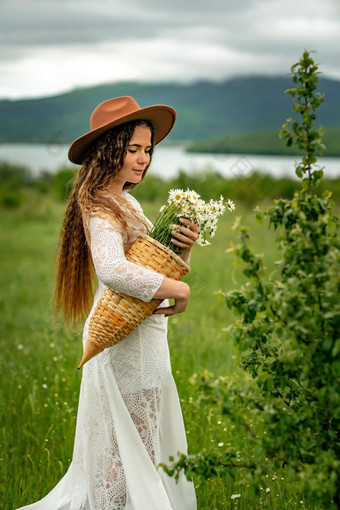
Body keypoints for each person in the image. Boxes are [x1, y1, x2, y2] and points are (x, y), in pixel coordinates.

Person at [17, 96, 198, 509]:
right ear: (109, 149)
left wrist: (183, 254)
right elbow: (113, 270)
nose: (142, 159)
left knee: (142, 448)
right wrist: (181, 290)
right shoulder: (99, 204)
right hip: (124, 342)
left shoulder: (126, 201)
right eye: (133, 149)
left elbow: (149, 268)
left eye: (147, 149)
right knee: (125, 452)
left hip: (145, 337)